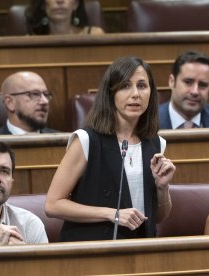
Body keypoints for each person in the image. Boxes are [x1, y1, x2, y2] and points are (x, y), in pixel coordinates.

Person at [45, 56, 176, 241]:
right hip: (90, 248)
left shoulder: (156, 143)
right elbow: (52, 205)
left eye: (142, 85)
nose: (135, 94)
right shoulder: (87, 140)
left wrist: (163, 187)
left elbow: (159, 217)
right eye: (125, 86)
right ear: (110, 93)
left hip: (140, 250)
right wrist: (111, 214)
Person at [159, 50, 209, 129]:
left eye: (202, 85)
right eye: (188, 82)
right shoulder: (148, 120)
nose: (195, 91)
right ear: (172, 82)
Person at [0, 71, 58, 135]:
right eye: (35, 94)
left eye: (46, 95)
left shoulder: (65, 143)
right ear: (10, 102)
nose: (45, 101)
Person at [25, 0, 104, 35]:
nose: (60, 1)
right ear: (43, 5)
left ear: (75, 4)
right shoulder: (30, 42)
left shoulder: (94, 35)